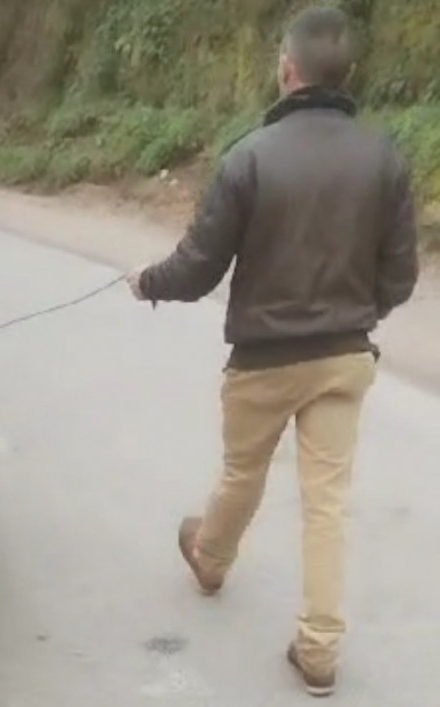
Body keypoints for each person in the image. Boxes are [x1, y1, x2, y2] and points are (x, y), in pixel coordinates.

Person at [127, 5, 419, 698]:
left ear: (288, 70)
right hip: (344, 358)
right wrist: (355, 315)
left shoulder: (249, 157)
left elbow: (199, 266)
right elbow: (401, 275)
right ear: (344, 74)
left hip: (262, 359)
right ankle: (319, 649)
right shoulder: (386, 159)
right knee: (327, 504)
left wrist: (148, 283)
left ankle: (211, 556)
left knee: (242, 474)